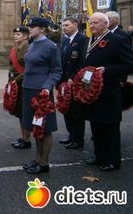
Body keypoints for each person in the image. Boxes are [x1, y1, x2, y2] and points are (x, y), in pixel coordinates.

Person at [83, 12, 133, 171]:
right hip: (92, 90)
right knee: (96, 124)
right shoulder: (89, 41)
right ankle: (99, 155)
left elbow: (129, 65)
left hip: (109, 89)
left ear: (106, 24)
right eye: (91, 23)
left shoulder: (117, 40)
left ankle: (112, 160)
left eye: (96, 23)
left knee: (110, 126)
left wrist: (107, 70)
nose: (92, 26)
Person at [22, 17, 62, 174]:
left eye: (33, 26)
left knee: (45, 128)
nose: (30, 29)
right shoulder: (32, 45)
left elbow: (56, 70)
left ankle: (44, 163)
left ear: (43, 29)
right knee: (35, 126)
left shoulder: (51, 47)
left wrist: (47, 87)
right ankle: (37, 159)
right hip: (28, 90)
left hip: (41, 93)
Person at [59, 17, 87, 149]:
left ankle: (78, 139)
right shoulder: (65, 40)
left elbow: (82, 62)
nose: (64, 28)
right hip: (64, 81)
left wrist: (74, 77)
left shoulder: (82, 40)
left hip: (75, 81)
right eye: (63, 26)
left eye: (67, 25)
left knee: (76, 111)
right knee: (67, 109)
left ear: (75, 25)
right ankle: (71, 136)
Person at [9, 26, 31, 149]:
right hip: (15, 82)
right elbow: (11, 67)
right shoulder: (14, 49)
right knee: (18, 111)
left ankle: (27, 139)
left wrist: (15, 80)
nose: (16, 36)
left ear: (26, 36)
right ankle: (23, 137)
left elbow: (27, 69)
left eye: (19, 34)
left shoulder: (28, 49)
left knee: (24, 112)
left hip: (23, 83)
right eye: (15, 34)